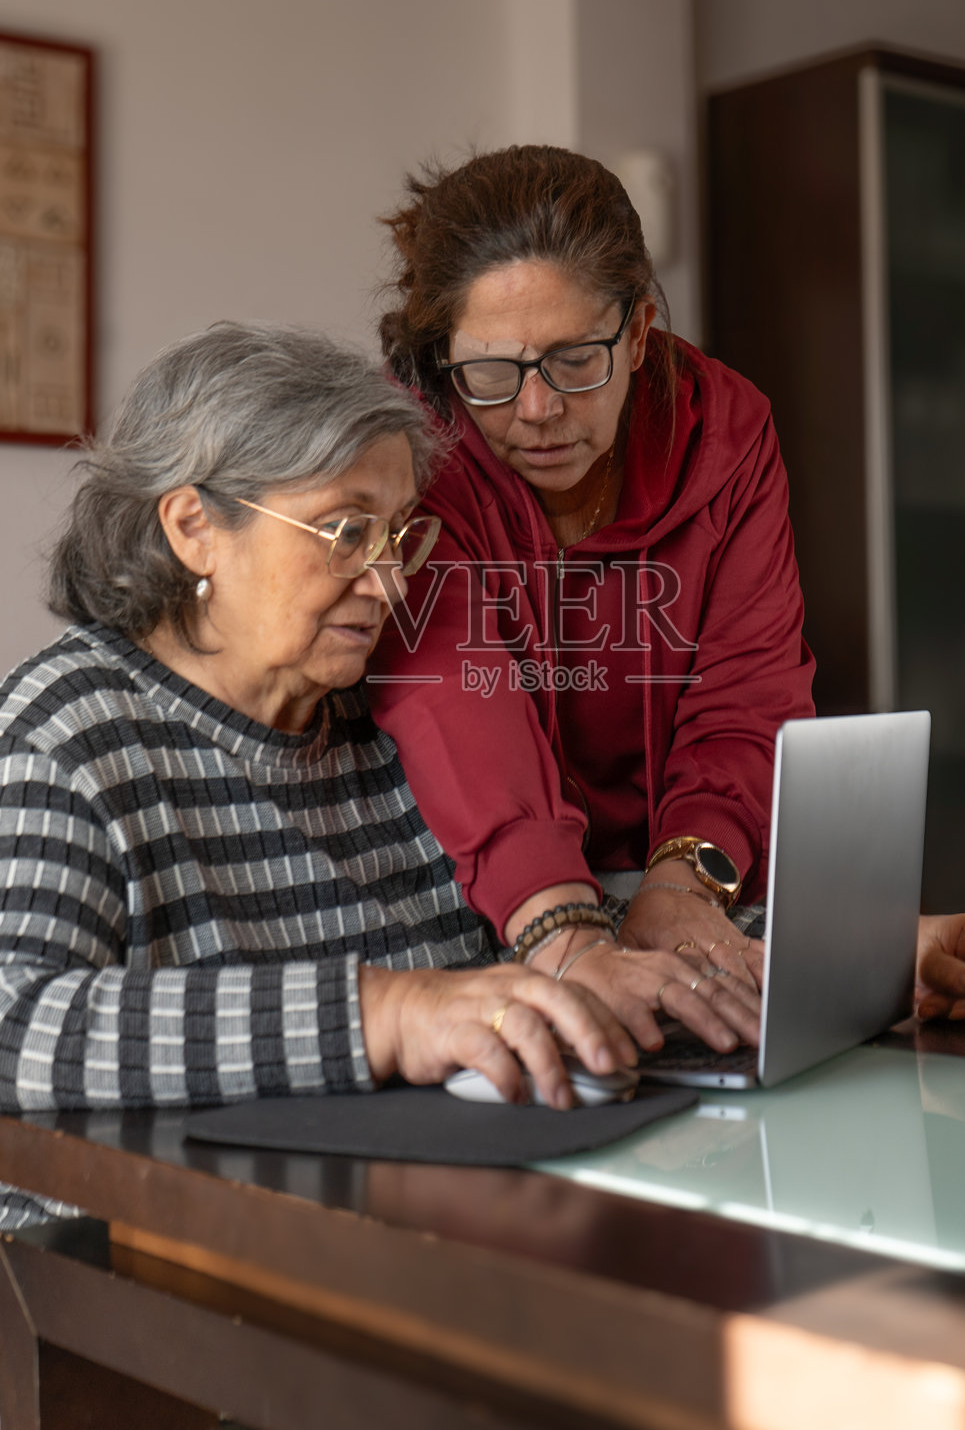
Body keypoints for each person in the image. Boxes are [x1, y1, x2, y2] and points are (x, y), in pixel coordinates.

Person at [370, 144, 965, 1047]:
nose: (537, 409)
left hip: (677, 880)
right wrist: (563, 933)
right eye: (491, 370)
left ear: (637, 333)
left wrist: (681, 889)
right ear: (443, 358)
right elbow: (453, 706)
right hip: (481, 899)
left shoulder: (726, 430)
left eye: (575, 360)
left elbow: (745, 694)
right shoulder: (412, 452)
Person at [0, 321, 638, 1140]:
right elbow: (16, 1022)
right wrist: (386, 1013)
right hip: (140, 1245)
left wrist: (703, 958)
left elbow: (513, 961)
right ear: (194, 529)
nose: (387, 583)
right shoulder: (64, 737)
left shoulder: (384, 713)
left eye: (401, 536)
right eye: (345, 532)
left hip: (434, 1189)